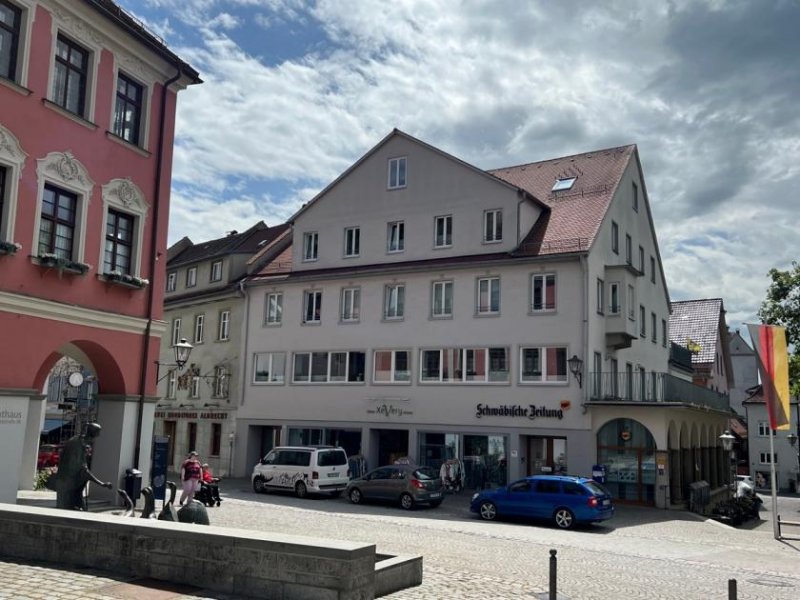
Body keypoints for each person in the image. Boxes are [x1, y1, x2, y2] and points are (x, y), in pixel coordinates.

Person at [45, 422, 113, 510]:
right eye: (98, 433)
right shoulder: (77, 445)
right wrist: (102, 484)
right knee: (67, 512)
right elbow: (83, 471)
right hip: (68, 486)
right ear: (94, 434)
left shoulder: (77, 441)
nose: (98, 436)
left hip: (70, 486)